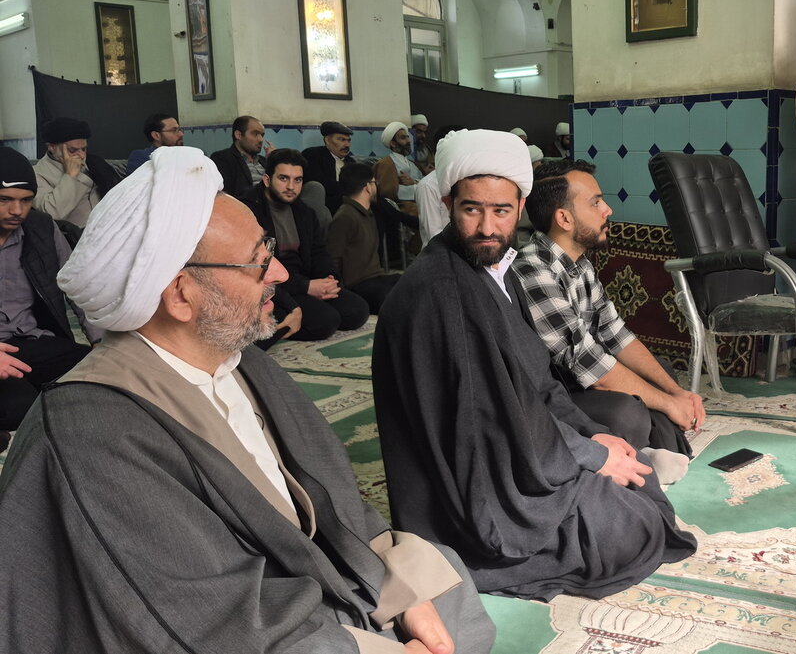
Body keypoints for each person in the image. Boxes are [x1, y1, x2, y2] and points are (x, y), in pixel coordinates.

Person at [0, 146, 495, 653]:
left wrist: (402, 590)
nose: (279, 274)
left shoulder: (242, 362)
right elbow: (200, 618)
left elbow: (337, 504)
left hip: (312, 581)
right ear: (180, 294)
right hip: (240, 625)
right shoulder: (92, 430)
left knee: (442, 581)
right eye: (259, 261)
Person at [372, 129, 696, 601]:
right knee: (635, 526)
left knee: (637, 482)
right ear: (447, 204)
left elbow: (538, 383)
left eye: (501, 211)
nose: (487, 226)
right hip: (475, 493)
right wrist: (590, 456)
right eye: (471, 209)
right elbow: (492, 423)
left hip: (517, 450)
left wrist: (592, 437)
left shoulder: (494, 272)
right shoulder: (442, 293)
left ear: (520, 208)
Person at [513, 158, 701, 484]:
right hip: (549, 397)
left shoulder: (579, 265)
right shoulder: (533, 270)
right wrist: (669, 405)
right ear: (564, 218)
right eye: (596, 202)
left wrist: (676, 393)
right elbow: (592, 368)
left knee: (661, 372)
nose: (607, 210)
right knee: (626, 413)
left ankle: (650, 450)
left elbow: (618, 335)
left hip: (580, 383)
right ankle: (643, 455)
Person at [0, 148, 98, 451]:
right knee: (19, 408)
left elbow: (78, 288)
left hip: (33, 340)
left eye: (26, 200)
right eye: (5, 200)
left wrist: (101, 343)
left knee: (100, 378)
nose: (17, 210)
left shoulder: (42, 228)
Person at [241, 148, 369, 340]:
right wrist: (305, 287)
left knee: (357, 310)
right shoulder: (249, 211)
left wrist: (329, 279)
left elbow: (319, 252)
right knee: (326, 321)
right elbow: (256, 269)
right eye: (283, 178)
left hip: (302, 279)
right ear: (267, 180)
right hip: (272, 288)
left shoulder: (304, 212)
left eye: (297, 180)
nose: (291, 187)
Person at [328, 164, 402, 314]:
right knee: (400, 297)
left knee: (412, 282)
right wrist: (342, 295)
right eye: (374, 183)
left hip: (375, 278)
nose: (376, 187)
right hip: (358, 285)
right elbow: (331, 258)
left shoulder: (367, 212)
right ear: (368, 187)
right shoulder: (345, 216)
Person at [32, 117, 99, 228]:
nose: (82, 155)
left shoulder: (94, 163)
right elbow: (52, 213)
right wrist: (70, 176)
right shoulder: (37, 174)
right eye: (73, 150)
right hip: (75, 234)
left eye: (84, 149)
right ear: (52, 147)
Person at [209, 115, 273, 198]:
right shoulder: (222, 158)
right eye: (255, 134)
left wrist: (273, 160)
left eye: (262, 135)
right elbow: (226, 195)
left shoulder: (264, 161)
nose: (261, 139)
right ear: (238, 135)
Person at [302, 120, 355, 212]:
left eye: (348, 140)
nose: (347, 145)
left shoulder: (352, 163)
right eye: (342, 140)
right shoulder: (313, 155)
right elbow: (319, 185)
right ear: (327, 141)